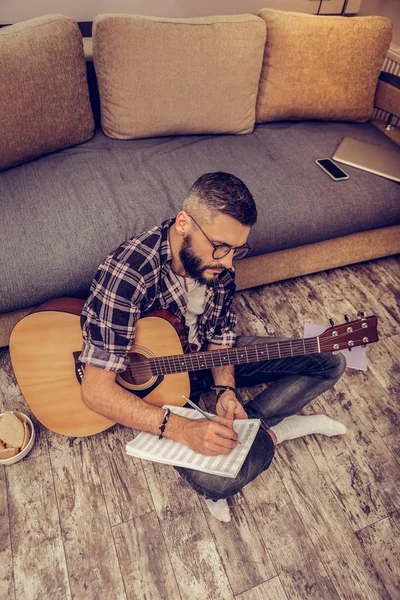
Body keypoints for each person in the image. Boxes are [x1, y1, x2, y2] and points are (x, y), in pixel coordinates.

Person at [79, 172, 347, 523]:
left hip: (198, 360)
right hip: (156, 388)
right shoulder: (128, 273)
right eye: (221, 247)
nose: (229, 262)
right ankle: (273, 433)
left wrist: (225, 389)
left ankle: (258, 430)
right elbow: (95, 392)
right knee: (216, 483)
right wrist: (182, 429)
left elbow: (221, 334)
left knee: (330, 360)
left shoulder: (219, 265)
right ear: (184, 223)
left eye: (237, 249)